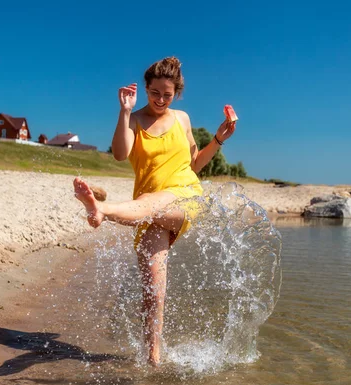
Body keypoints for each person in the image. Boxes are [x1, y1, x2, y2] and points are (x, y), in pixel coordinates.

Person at [73, 56, 236, 366]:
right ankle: (153, 358)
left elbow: (194, 164)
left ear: (176, 94)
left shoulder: (183, 119)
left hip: (184, 197)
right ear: (145, 89)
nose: (161, 100)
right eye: (155, 93)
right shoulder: (134, 120)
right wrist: (124, 112)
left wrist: (217, 140)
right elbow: (121, 154)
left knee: (150, 202)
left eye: (167, 94)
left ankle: (103, 210)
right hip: (147, 209)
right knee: (153, 290)